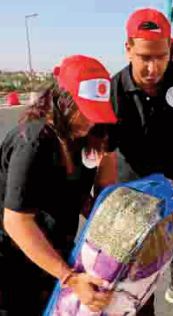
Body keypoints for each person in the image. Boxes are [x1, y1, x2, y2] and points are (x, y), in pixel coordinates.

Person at [100, 8, 173, 315]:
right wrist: (106, 208)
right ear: (128, 48)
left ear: (171, 48)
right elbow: (106, 159)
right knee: (135, 281)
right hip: (131, 195)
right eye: (144, 58)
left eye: (161, 57)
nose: (154, 68)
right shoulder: (112, 92)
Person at [0, 55, 117, 315]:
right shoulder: (33, 141)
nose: (92, 121)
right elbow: (16, 222)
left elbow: (81, 195)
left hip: (55, 254)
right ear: (62, 101)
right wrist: (70, 278)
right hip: (15, 261)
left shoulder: (84, 136)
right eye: (85, 112)